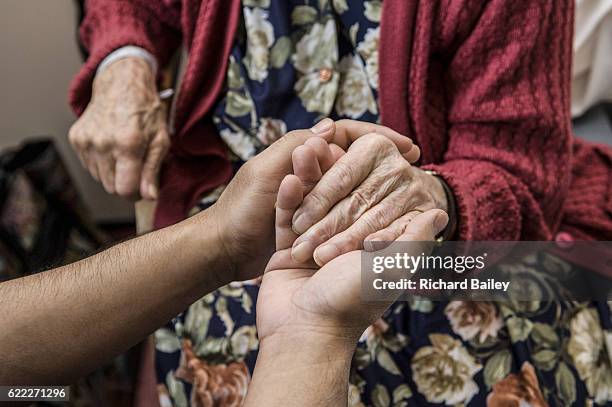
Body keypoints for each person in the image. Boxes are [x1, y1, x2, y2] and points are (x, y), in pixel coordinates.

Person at [69, 0, 612, 405]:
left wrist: (430, 198)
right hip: (236, 221)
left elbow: (514, 170)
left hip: (447, 240)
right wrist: (125, 59)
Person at [1, 125, 442, 393]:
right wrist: (311, 328)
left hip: (470, 256)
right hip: (273, 262)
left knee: (496, 281)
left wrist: (442, 198)